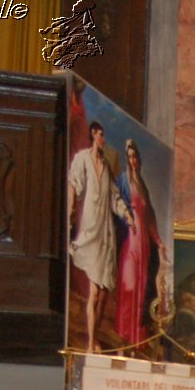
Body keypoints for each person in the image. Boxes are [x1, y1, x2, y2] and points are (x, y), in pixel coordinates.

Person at [68, 120, 132, 351]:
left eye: (104, 135)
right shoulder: (83, 159)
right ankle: (89, 342)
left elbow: (114, 197)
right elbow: (73, 183)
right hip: (90, 228)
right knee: (94, 291)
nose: (103, 139)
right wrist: (70, 209)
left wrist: (128, 215)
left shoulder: (105, 165)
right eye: (101, 135)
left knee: (104, 289)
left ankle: (93, 336)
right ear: (93, 135)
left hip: (106, 232)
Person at [114, 138, 166, 354]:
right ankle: (122, 337)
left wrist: (159, 242)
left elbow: (150, 216)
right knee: (129, 286)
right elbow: (115, 203)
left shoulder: (142, 184)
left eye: (136, 156)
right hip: (130, 240)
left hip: (144, 242)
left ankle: (137, 340)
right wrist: (126, 217)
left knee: (143, 289)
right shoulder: (123, 181)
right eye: (130, 157)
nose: (133, 160)